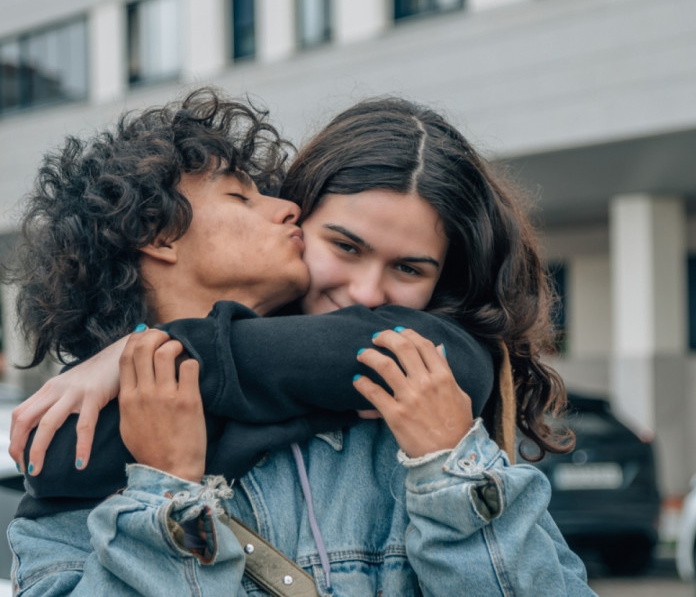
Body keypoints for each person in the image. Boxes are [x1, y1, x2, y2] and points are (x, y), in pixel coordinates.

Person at [7, 89, 594, 596]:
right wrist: (165, 496)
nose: (285, 207)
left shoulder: (401, 428)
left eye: (411, 270)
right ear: (157, 235)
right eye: (242, 197)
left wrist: (452, 476)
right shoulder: (69, 483)